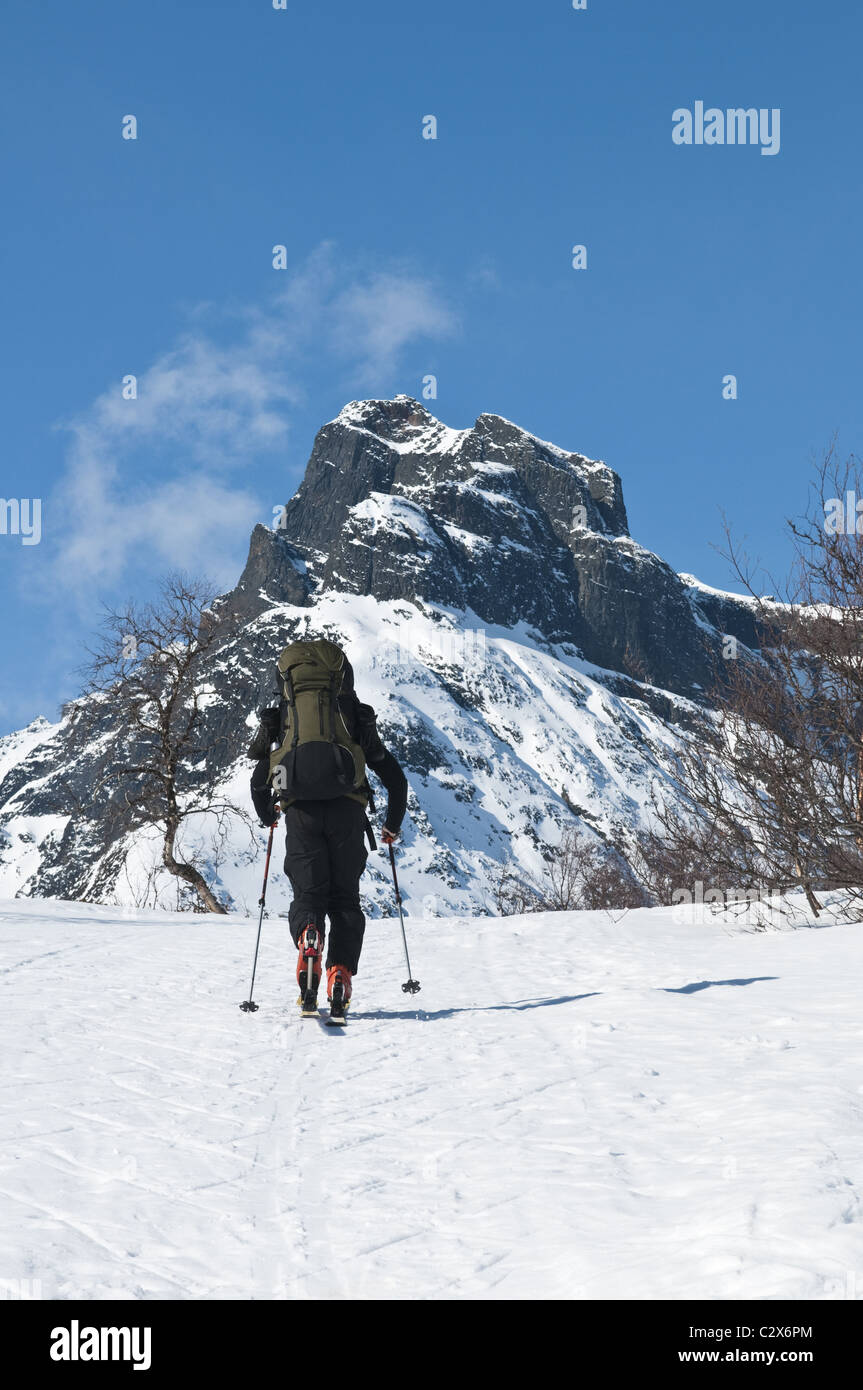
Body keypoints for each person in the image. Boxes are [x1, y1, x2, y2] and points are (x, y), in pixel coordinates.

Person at [249, 639, 407, 1020]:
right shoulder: (352, 712)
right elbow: (393, 776)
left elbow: (259, 777)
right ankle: (339, 972)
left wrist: (267, 813)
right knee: (345, 901)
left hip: (299, 812)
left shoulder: (285, 717)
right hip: (347, 813)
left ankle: (308, 939)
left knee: (308, 894)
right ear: (341, 677)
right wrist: (391, 824)